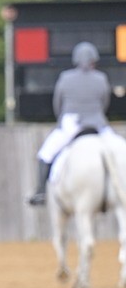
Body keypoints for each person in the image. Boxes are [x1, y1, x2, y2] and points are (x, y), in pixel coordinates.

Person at [28, 42, 115, 205]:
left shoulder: (65, 77)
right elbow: (105, 102)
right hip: (98, 124)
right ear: (93, 60)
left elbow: (57, 104)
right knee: (119, 149)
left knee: (45, 154)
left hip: (71, 123)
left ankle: (40, 192)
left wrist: (61, 119)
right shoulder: (101, 77)